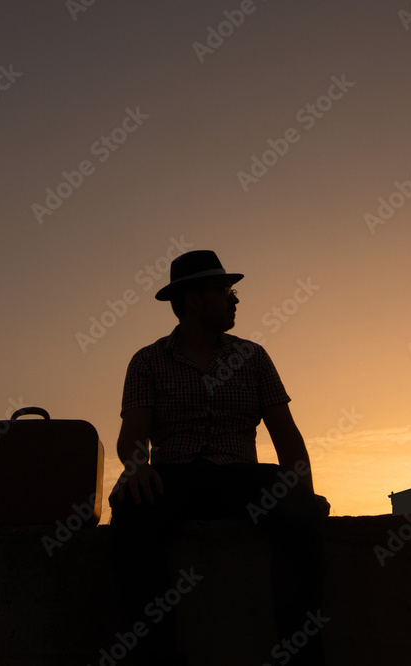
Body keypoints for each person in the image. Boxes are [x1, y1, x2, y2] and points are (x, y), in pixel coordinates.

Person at [108, 250, 329, 665]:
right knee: (128, 508)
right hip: (172, 478)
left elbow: (287, 437)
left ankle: (302, 656)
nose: (235, 299)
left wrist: (306, 495)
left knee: (300, 511)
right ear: (193, 299)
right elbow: (131, 435)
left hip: (240, 477)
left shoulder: (254, 357)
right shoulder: (147, 362)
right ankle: (151, 656)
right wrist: (136, 466)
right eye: (224, 290)